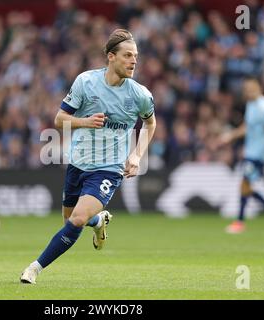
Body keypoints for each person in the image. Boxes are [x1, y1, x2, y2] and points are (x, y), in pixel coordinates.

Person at [20, 29, 156, 284]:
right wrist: (83, 121)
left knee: (76, 220)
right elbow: (59, 120)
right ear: (111, 57)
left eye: (135, 56)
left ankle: (34, 268)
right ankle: (99, 221)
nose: (134, 61)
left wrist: (137, 155)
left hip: (109, 168)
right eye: (127, 55)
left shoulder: (140, 95)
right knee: (71, 221)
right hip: (78, 163)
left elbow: (150, 124)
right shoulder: (85, 82)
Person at [218, 77, 264, 234]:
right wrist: (231, 135)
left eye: (250, 89)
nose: (247, 92)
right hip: (250, 151)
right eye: (246, 90)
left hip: (260, 153)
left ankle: (240, 222)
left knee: (244, 184)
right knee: (246, 186)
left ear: (258, 88)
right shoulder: (251, 105)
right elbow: (247, 127)